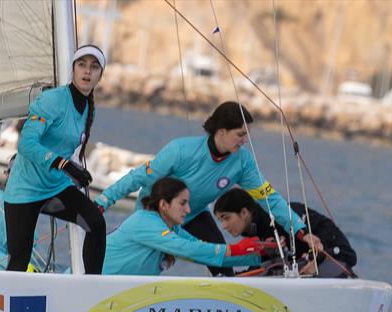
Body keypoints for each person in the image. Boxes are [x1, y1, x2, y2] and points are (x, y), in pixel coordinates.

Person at [94, 101, 322, 276]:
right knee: (147, 260)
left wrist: (300, 230)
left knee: (219, 262)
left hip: (192, 214)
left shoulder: (242, 162)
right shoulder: (180, 151)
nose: (245, 141)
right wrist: (103, 202)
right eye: (241, 134)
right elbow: (138, 177)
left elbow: (269, 198)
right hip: (157, 216)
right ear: (221, 131)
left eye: (247, 135)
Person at [3, 45, 107, 274]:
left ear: (101, 75)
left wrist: (75, 169)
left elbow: (67, 146)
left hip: (55, 187)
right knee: (19, 263)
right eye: (82, 65)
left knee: (96, 224)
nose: (87, 72)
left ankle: (93, 289)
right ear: (73, 69)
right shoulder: (51, 100)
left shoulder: (90, 108)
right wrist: (65, 164)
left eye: (94, 67)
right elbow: (26, 144)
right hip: (24, 190)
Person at [103, 178, 268, 276]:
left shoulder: (173, 229)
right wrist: (235, 249)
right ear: (163, 204)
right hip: (89, 281)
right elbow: (187, 249)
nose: (188, 210)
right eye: (183, 203)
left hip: (114, 289)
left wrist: (258, 257)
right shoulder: (144, 221)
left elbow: (201, 251)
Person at [214, 188, 357, 278]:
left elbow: (343, 248)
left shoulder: (283, 215)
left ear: (244, 213)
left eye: (227, 218)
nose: (224, 226)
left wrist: (317, 260)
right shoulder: (257, 234)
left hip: (337, 261)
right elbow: (262, 264)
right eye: (221, 220)